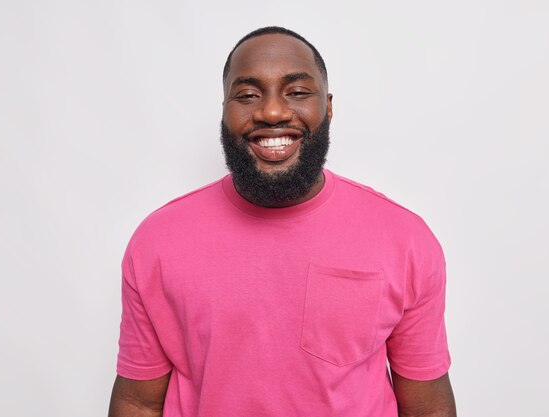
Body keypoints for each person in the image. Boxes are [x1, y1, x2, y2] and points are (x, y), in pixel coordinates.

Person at [108, 26, 456, 417]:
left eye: (297, 92)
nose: (272, 111)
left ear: (328, 106)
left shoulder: (405, 239)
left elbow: (428, 408)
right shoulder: (158, 241)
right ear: (224, 110)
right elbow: (138, 403)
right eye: (247, 95)